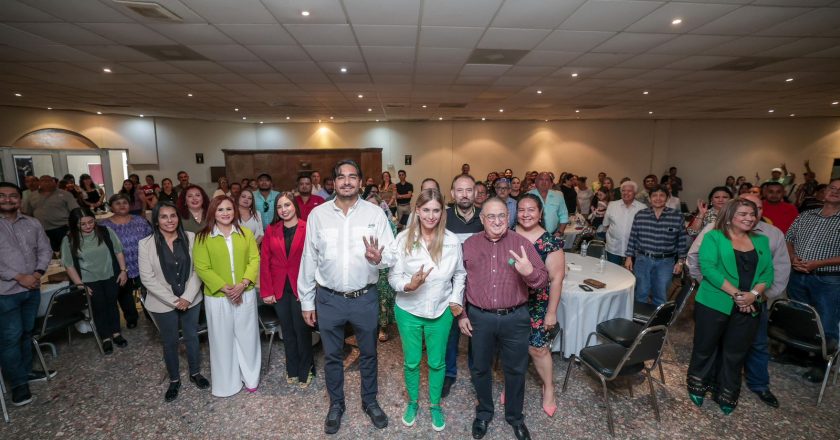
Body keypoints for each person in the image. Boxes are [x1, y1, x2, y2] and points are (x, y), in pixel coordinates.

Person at [298, 159, 395, 434]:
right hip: (328, 298)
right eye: (341, 177)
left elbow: (392, 254)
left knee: (368, 353)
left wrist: (380, 258)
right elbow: (309, 259)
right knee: (331, 356)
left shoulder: (375, 214)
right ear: (334, 182)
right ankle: (336, 405)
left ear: (361, 183)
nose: (347, 181)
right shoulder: (318, 215)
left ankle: (370, 401)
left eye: (353, 177)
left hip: (364, 297)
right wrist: (307, 300)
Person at [455, 197, 548, 440]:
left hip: (515, 318)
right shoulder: (470, 245)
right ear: (482, 219)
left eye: (502, 216)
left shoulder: (522, 244)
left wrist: (530, 274)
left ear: (508, 218)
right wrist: (462, 314)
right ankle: (484, 412)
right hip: (480, 317)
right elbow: (459, 282)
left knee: (516, 369)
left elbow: (542, 279)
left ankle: (515, 417)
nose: (497, 221)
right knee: (479, 368)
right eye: (491, 216)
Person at [687, 192, 790, 408]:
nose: (750, 218)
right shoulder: (714, 236)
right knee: (706, 347)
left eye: (753, 214)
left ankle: (726, 393)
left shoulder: (761, 240)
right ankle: (697, 385)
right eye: (743, 213)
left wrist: (753, 295)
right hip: (714, 302)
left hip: (750, 305)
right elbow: (708, 268)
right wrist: (736, 294)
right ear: (730, 215)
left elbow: (768, 273)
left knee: (735, 351)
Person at [388, 189, 466, 431]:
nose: (431, 216)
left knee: (436, 362)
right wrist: (408, 285)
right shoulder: (403, 239)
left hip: (441, 311)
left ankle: (434, 405)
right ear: (417, 211)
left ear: (442, 212)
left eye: (436, 210)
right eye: (426, 210)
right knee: (411, 363)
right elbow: (393, 276)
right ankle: (412, 402)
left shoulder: (452, 241)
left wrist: (455, 300)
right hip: (408, 309)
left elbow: (460, 274)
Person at [138, 202, 209, 402]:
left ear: (178, 217)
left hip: (191, 299)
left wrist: (187, 297)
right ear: (156, 220)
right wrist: (174, 301)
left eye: (173, 216)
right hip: (162, 303)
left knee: (192, 337)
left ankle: (195, 373)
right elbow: (147, 278)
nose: (169, 220)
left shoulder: (191, 238)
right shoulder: (146, 244)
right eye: (164, 217)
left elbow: (198, 269)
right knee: (170, 342)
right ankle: (174, 380)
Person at [193, 196, 261, 397]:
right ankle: (227, 383)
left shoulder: (245, 233)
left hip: (245, 294)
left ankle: (251, 378)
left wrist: (242, 284)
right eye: (220, 209)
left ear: (235, 211)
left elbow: (254, 259)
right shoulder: (203, 237)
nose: (225, 213)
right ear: (213, 212)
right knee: (222, 340)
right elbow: (202, 267)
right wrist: (226, 288)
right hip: (218, 297)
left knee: (248, 337)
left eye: (229, 209)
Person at [0, 182, 53, 406]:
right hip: (5, 292)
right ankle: (19, 385)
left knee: (26, 333)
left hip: (32, 289)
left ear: (20, 200)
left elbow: (45, 249)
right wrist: (19, 276)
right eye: (2, 196)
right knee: (10, 338)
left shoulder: (32, 223)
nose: (8, 200)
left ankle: (26, 371)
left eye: (13, 196)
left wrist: (37, 272)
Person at [513, 194, 565, 418]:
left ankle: (549, 388)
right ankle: (512, 385)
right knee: (512, 347)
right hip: (511, 301)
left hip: (538, 304)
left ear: (540, 213)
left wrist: (551, 313)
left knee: (538, 348)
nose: (526, 214)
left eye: (531, 210)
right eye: (522, 210)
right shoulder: (508, 236)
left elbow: (557, 279)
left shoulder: (550, 242)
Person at [784, 177, 840, 383]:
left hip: (828, 280)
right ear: (824, 191)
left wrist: (818, 264)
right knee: (797, 316)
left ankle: (821, 363)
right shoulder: (806, 215)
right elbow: (789, 239)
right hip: (798, 275)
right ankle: (795, 354)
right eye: (831, 187)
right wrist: (792, 258)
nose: (834, 192)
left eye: (839, 190)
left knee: (826, 321)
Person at [260, 193, 315, 387]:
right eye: (280, 207)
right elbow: (265, 260)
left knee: (302, 331)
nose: (284, 209)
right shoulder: (271, 230)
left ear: (295, 206)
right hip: (279, 288)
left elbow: (315, 259)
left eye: (287, 205)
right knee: (288, 332)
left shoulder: (307, 227)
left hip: (302, 288)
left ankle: (306, 368)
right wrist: (266, 290)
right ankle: (292, 369)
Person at [61, 207, 128, 355]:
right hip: (89, 280)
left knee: (112, 303)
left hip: (110, 275)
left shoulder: (105, 232)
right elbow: (69, 265)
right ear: (75, 225)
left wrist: (123, 271)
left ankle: (116, 333)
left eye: (91, 222)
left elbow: (118, 251)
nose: (88, 226)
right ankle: (105, 338)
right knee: (99, 307)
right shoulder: (69, 240)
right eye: (82, 224)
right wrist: (79, 284)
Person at [442, 174, 484, 397]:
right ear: (452, 193)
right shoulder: (444, 217)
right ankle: (449, 374)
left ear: (476, 193)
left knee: (477, 335)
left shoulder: (485, 218)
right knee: (450, 335)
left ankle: (478, 375)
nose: (465, 194)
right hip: (450, 287)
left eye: (469, 190)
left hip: (478, 286)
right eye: (460, 190)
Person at [624, 185, 688, 306]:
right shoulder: (640, 215)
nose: (658, 198)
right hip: (643, 259)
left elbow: (682, 241)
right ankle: (639, 321)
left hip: (666, 262)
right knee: (641, 292)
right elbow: (633, 237)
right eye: (654, 195)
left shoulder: (677, 216)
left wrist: (680, 261)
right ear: (649, 198)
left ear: (667, 198)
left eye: (661, 195)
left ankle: (655, 322)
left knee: (661, 293)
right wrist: (628, 257)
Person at [100, 194, 152, 329]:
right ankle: (131, 317)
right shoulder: (103, 225)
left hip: (142, 263)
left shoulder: (140, 220)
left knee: (148, 290)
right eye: (117, 203)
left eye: (125, 202)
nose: (122, 205)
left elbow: (151, 239)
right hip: (119, 266)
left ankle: (151, 315)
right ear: (111, 206)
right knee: (124, 294)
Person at [22, 175, 80, 251]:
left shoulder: (66, 194)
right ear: (39, 183)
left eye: (49, 180)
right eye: (43, 181)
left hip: (63, 228)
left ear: (54, 182)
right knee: (49, 253)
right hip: (42, 230)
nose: (46, 183)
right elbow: (27, 213)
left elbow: (75, 210)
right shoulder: (32, 196)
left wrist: (74, 226)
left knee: (69, 250)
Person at [602, 181, 646, 265]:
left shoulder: (642, 208)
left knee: (631, 275)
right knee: (613, 273)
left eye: (629, 191)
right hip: (613, 248)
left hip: (634, 250)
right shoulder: (612, 205)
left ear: (635, 193)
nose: (626, 193)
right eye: (623, 190)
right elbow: (606, 225)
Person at [528, 172, 569, 237]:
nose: (544, 182)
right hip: (532, 235)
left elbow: (564, 215)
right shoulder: (528, 195)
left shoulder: (558, 195)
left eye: (547, 180)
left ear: (550, 183)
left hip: (554, 234)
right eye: (541, 179)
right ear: (536, 182)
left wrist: (560, 232)